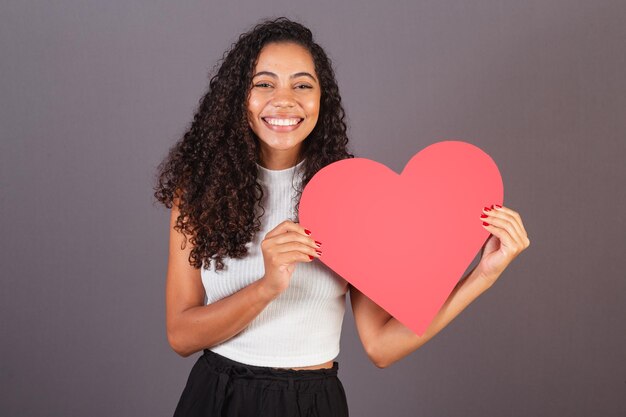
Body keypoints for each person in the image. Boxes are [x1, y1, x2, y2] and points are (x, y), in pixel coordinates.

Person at [153, 16, 530, 417]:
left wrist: (483, 276)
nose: (284, 99)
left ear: (322, 99)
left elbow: (381, 346)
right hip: (217, 397)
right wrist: (267, 286)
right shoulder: (199, 190)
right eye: (264, 83)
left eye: (302, 84)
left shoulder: (350, 196)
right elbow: (181, 334)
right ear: (237, 97)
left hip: (311, 403)